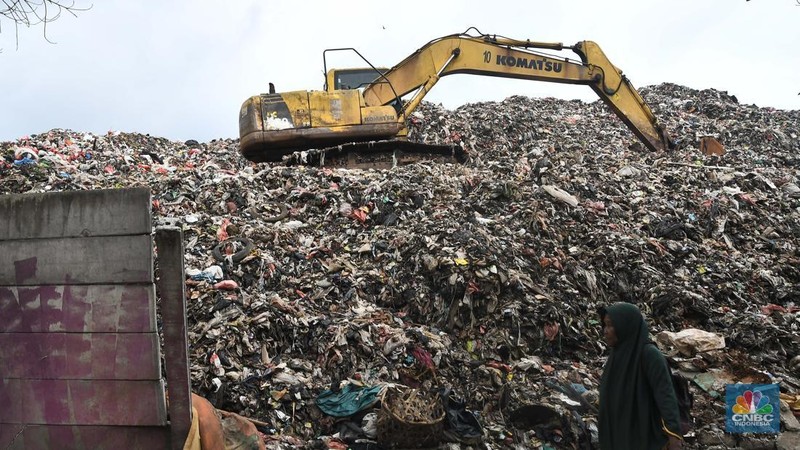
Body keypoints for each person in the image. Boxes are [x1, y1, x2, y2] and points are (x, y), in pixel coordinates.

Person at [598, 302, 683, 450]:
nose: (606, 331)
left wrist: (673, 434)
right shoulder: (617, 356)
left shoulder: (649, 355)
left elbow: (666, 396)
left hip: (644, 436)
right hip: (619, 435)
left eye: (610, 325)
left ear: (626, 326)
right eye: (605, 325)